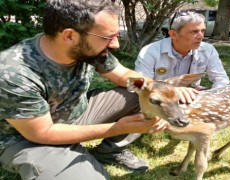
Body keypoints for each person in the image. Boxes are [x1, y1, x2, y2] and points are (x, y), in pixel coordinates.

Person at [0, 1, 197, 179]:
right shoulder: (14, 73)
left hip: (74, 113)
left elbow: (123, 76)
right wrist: (119, 128)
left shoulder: (86, 47)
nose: (116, 44)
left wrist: (160, 90)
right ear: (69, 35)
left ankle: (109, 150)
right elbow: (42, 133)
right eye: (108, 37)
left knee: (140, 93)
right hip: (26, 138)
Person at [135, 11, 230, 89]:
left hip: (192, 96)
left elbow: (221, 80)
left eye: (203, 31)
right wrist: (175, 92)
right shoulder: (150, 52)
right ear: (173, 34)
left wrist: (212, 95)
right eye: (194, 31)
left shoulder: (208, 50)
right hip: (161, 99)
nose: (201, 36)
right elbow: (143, 85)